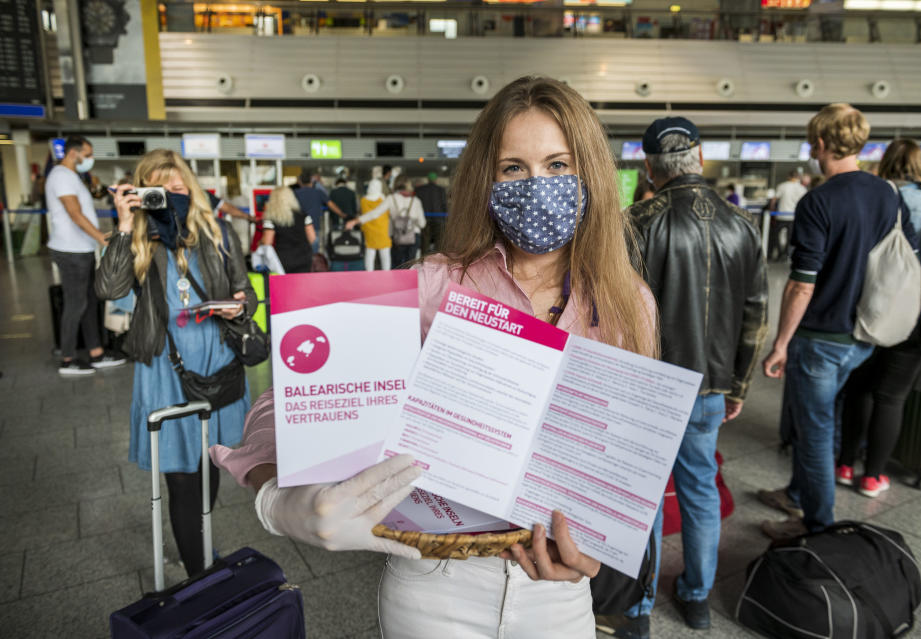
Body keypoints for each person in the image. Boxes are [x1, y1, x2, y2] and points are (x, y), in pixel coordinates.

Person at [210, 75, 659, 638]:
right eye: (513, 168)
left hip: (558, 595)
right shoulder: (434, 286)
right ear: (487, 180)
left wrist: (597, 549)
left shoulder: (627, 302)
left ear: (590, 173)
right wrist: (281, 499)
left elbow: (623, 457)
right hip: (435, 583)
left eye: (558, 165)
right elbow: (287, 397)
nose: (536, 184)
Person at [607, 117, 767, 637]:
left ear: (650, 167)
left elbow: (618, 315)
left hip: (649, 389)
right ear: (700, 158)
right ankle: (696, 600)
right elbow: (754, 316)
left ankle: (637, 608)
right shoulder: (742, 224)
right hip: (712, 388)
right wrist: (738, 386)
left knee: (646, 497)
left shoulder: (637, 221)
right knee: (699, 488)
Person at [758, 104, 917, 540]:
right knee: (827, 417)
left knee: (814, 432)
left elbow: (801, 285)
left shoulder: (819, 201)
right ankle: (797, 493)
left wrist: (780, 343)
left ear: (821, 144)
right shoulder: (887, 193)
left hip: (821, 338)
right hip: (863, 334)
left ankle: (816, 527)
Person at [96, 149, 255, 577]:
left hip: (218, 360)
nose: (172, 195)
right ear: (144, 193)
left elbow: (247, 293)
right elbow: (110, 289)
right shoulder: (139, 238)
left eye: (179, 187)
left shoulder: (217, 231)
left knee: (209, 465)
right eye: (161, 189)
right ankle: (198, 577)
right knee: (182, 477)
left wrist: (238, 309)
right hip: (166, 369)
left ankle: (199, 545)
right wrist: (125, 224)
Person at [837, 139, 921, 497]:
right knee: (891, 397)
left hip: (869, 311)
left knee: (859, 388)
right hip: (918, 318)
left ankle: (843, 463)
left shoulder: (876, 199)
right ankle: (873, 477)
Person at [45, 135, 126, 376]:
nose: (90, 159)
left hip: (81, 249)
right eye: (87, 154)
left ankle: (96, 353)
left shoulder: (72, 177)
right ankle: (68, 358)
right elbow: (74, 213)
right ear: (74, 153)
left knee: (90, 302)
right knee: (76, 303)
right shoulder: (61, 176)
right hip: (71, 251)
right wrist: (101, 237)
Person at [347, 177, 425, 268]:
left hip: (397, 237)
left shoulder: (391, 199)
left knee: (397, 266)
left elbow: (375, 213)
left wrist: (355, 221)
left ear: (395, 185)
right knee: (411, 266)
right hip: (413, 237)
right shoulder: (416, 201)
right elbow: (422, 223)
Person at [260, 186, 316, 274]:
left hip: (283, 258)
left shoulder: (271, 219)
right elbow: (312, 238)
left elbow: (267, 242)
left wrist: (260, 242)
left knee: (285, 286)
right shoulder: (304, 216)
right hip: (304, 256)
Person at [351, 178, 392, 271]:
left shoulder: (364, 200)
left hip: (369, 230)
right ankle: (387, 274)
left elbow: (362, 213)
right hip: (383, 230)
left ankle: (369, 274)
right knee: (385, 255)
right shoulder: (384, 199)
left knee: (370, 252)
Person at [414, 171, 448, 254]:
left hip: (425, 218)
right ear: (435, 179)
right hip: (439, 219)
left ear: (428, 179)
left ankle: (423, 260)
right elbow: (444, 204)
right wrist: (446, 217)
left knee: (425, 241)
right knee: (439, 242)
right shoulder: (441, 190)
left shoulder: (420, 189)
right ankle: (438, 260)